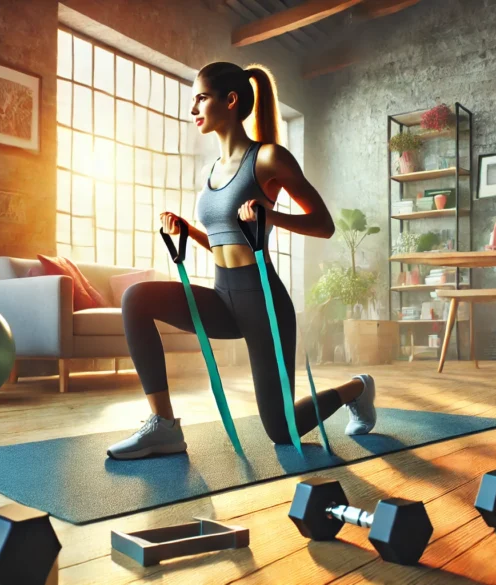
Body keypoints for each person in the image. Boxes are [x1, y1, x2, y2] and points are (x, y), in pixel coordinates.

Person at [107, 62, 377, 460]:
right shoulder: (210, 170)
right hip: (222, 296)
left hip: (262, 303)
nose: (193, 108)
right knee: (136, 299)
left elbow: (324, 225)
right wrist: (188, 231)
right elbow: (227, 239)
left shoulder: (268, 158)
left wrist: (272, 216)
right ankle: (163, 427)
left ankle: (357, 388)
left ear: (230, 100)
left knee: (282, 431)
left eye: (201, 98)